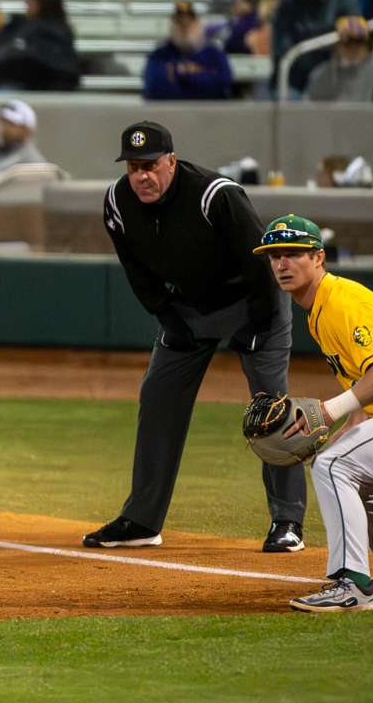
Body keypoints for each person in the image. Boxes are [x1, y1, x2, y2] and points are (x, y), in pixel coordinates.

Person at [85, 121, 303, 552]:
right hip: (190, 307)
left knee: (272, 409)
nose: (142, 176)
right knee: (158, 397)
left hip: (253, 302)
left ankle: (288, 522)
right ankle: (142, 520)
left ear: (171, 161)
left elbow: (261, 262)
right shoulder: (116, 202)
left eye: (150, 165)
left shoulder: (215, 194)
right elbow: (135, 268)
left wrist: (255, 323)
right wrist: (168, 316)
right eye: (133, 166)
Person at [252, 216, 373, 609]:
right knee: (346, 468)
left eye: (292, 254)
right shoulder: (320, 308)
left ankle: (354, 587)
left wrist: (331, 410)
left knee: (334, 467)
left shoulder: (341, 301)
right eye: (274, 256)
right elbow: (366, 380)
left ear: (319, 257)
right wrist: (354, 422)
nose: (281, 264)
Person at [273, 0, 362, 96]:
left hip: (338, 80)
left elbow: (357, 41)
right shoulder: (286, 8)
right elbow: (282, 49)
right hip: (297, 83)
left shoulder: (344, 2)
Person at [142, 2, 234, 101]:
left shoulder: (214, 54)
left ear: (198, 26)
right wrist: (202, 82)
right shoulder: (159, 55)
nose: (186, 30)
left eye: (190, 24)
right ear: (172, 28)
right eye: (181, 24)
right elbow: (154, 88)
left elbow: (223, 83)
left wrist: (179, 73)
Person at [304, 16, 373, 105]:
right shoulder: (321, 73)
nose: (355, 48)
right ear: (337, 45)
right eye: (348, 43)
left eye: (360, 42)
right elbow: (309, 112)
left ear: (368, 44)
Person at [0, 99, 49, 170]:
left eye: (12, 124)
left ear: (27, 130)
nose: (5, 127)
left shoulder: (34, 164)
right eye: (3, 122)